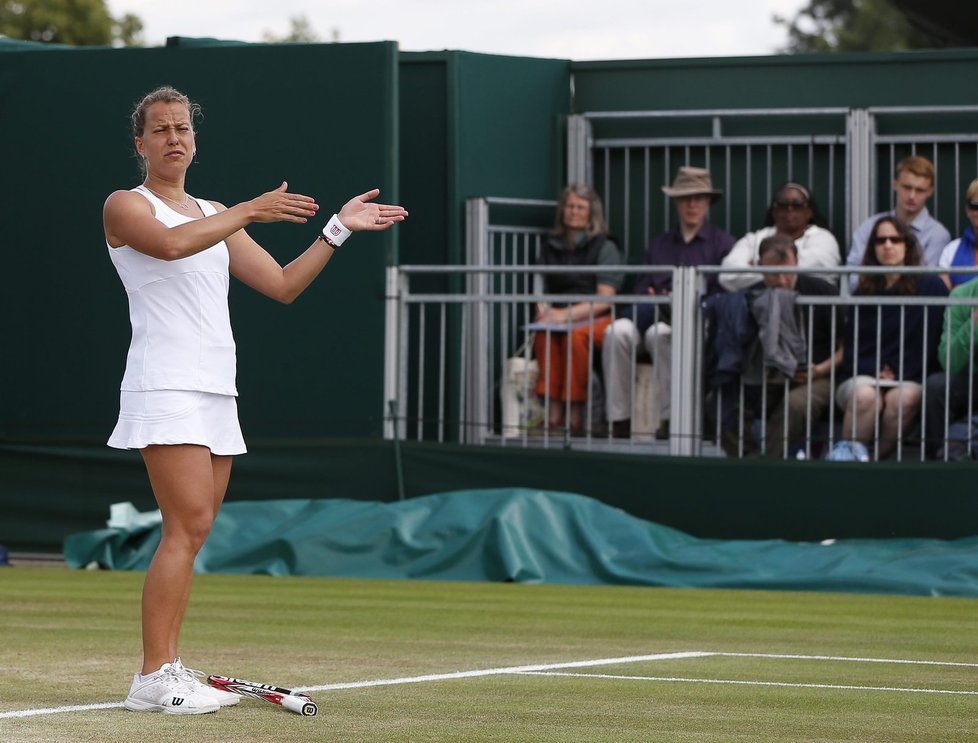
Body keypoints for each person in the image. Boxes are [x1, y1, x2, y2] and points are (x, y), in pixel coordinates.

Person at [104, 86, 407, 715]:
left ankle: (168, 667)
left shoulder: (216, 213)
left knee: (195, 530)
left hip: (217, 389)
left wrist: (337, 229)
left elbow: (282, 284)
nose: (174, 138)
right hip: (166, 383)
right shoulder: (124, 206)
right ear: (141, 144)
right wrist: (246, 209)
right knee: (184, 526)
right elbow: (170, 245)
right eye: (160, 130)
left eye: (183, 127)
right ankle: (154, 676)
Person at [601, 166, 734, 439]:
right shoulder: (658, 244)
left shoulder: (724, 244)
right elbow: (640, 289)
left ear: (708, 201)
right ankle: (619, 421)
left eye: (698, 197)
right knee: (615, 332)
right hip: (651, 313)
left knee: (661, 335)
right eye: (686, 197)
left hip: (695, 324)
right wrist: (652, 297)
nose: (692, 204)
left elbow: (724, 296)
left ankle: (671, 421)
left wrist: (686, 302)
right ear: (676, 201)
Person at [836, 217, 947, 460]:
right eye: (880, 240)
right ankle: (847, 462)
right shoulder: (863, 290)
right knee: (865, 397)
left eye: (895, 239)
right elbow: (854, 345)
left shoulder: (931, 287)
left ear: (907, 245)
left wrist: (897, 370)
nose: (887, 245)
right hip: (863, 373)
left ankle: (878, 460)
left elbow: (931, 343)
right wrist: (875, 371)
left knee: (904, 398)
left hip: (911, 375)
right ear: (872, 248)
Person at [534, 183, 623, 435]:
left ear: (591, 213)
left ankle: (574, 416)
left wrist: (565, 315)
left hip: (597, 317)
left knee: (575, 338)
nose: (574, 211)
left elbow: (605, 299)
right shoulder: (551, 245)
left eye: (580, 207)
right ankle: (552, 415)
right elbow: (540, 286)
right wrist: (544, 312)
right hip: (558, 315)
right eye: (570, 206)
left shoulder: (606, 247)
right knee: (544, 334)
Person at [751, 236, 844, 458]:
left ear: (797, 262)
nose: (782, 281)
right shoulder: (751, 296)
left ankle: (765, 468)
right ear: (759, 267)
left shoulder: (823, 291)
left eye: (788, 271)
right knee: (722, 401)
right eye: (773, 274)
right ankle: (748, 457)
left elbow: (846, 347)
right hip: (768, 375)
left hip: (820, 375)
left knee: (796, 404)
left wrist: (819, 370)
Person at [846, 155, 951, 291]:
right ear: (895, 184)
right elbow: (854, 274)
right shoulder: (869, 226)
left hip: (914, 307)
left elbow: (927, 281)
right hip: (870, 303)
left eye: (919, 190)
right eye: (907, 187)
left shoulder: (938, 234)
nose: (912, 196)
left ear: (930, 191)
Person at [719, 182, 841, 292]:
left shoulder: (824, 238)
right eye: (782, 205)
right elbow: (727, 276)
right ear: (773, 211)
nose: (789, 209)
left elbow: (824, 272)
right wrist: (784, 274)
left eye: (797, 205)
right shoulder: (753, 239)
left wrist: (758, 268)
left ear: (809, 211)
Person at [924, 277, 978, 460]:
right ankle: (937, 464)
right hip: (972, 379)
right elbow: (949, 362)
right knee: (937, 385)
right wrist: (973, 325)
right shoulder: (962, 295)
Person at [937, 178, 978, 289]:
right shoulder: (951, 250)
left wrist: (961, 290)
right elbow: (945, 295)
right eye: (976, 206)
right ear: (967, 210)